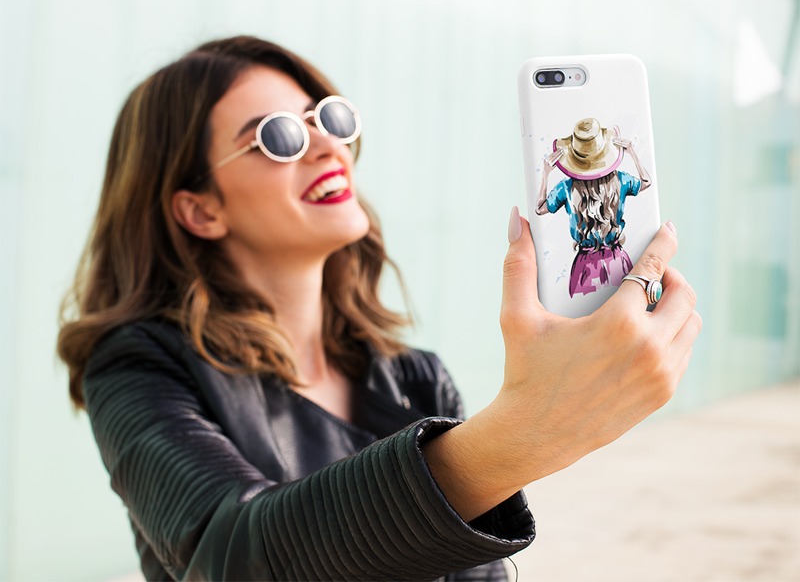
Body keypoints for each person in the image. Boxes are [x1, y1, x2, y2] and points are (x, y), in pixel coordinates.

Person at [57, 35, 701, 581]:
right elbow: (232, 554)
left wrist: (521, 435)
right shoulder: (137, 366)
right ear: (200, 210)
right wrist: (521, 434)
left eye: (328, 119)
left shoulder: (415, 379)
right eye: (278, 137)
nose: (326, 147)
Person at [536, 118, 652, 297]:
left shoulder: (566, 187)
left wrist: (545, 173)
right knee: (627, 305)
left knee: (582, 313)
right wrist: (632, 153)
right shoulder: (619, 179)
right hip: (616, 260)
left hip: (585, 268)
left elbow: (540, 208)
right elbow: (646, 182)